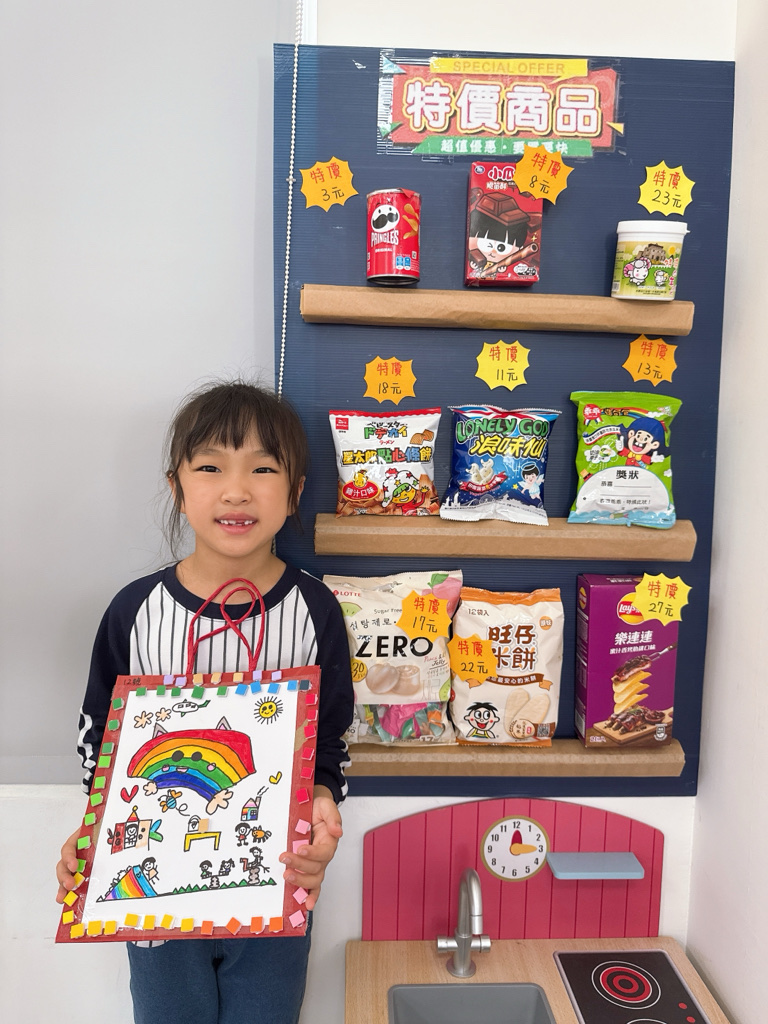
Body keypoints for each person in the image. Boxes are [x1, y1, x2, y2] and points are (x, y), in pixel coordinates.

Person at [55, 380, 355, 1024]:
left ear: (295, 492)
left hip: (275, 881)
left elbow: (331, 741)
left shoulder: (316, 610)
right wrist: (97, 830)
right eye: (211, 467)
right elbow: (99, 740)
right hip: (152, 886)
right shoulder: (133, 611)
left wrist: (322, 805)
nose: (236, 490)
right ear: (177, 488)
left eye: (263, 469)